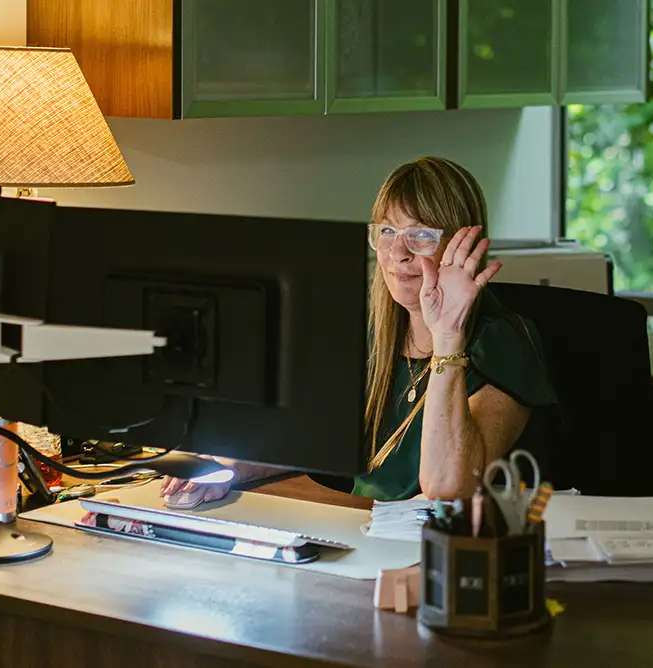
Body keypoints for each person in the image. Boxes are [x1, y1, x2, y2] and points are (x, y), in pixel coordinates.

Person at [160, 156, 556, 505]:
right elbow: (307, 441)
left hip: (442, 553)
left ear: (461, 246)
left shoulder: (503, 341)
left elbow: (446, 488)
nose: (398, 253)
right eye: (386, 232)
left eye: (420, 235)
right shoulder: (372, 330)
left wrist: (447, 335)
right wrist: (218, 470)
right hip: (360, 530)